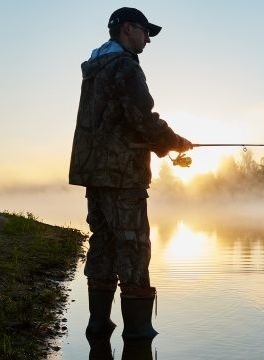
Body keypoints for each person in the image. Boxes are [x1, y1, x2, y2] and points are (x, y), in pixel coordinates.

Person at [69, 7, 192, 340]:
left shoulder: (95, 68)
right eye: (145, 32)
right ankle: (138, 335)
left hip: (95, 173)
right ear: (127, 29)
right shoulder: (124, 66)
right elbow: (143, 118)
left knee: (104, 245)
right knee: (134, 247)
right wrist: (177, 142)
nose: (148, 39)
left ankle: (98, 327)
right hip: (123, 175)